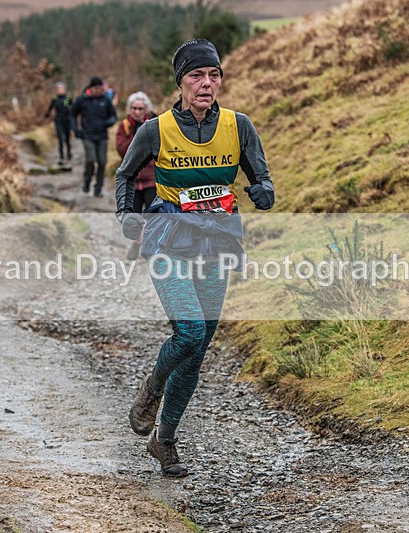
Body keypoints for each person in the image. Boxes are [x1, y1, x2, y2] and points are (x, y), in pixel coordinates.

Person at [115, 39, 275, 477]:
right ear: (181, 83)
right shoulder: (155, 129)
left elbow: (261, 176)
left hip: (217, 243)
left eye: (213, 75)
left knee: (199, 348)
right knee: (187, 332)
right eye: (196, 77)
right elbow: (126, 175)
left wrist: (264, 192)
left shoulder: (240, 126)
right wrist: (127, 215)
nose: (206, 84)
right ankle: (151, 388)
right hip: (169, 241)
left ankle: (164, 441)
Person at [116, 91, 156, 260]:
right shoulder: (124, 126)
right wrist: (136, 132)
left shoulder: (155, 124)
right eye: (134, 108)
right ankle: (138, 242)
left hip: (152, 178)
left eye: (140, 108)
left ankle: (154, 246)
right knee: (134, 217)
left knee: (154, 216)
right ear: (129, 109)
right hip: (133, 181)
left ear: (146, 109)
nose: (137, 112)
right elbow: (122, 150)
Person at [70, 76, 117, 197]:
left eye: (101, 88)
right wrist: (76, 130)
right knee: (91, 160)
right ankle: (87, 180)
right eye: (97, 88)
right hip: (87, 135)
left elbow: (113, 115)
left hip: (102, 136)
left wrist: (109, 122)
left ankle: (98, 188)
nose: (99, 90)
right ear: (91, 88)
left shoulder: (105, 100)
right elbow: (72, 115)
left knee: (102, 162)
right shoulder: (82, 100)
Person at [44, 82, 73, 164]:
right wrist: (47, 114)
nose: (61, 90)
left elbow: (73, 108)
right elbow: (50, 107)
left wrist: (72, 118)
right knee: (60, 138)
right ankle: (61, 157)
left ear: (65, 89)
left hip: (67, 120)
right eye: (59, 89)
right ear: (57, 90)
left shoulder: (68, 98)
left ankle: (69, 155)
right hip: (59, 120)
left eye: (62, 88)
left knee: (67, 139)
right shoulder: (55, 99)